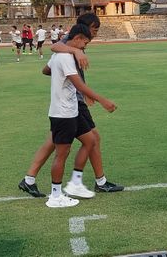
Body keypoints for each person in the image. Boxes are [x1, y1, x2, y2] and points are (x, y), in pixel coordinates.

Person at [18, 13, 123, 199]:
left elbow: (47, 69)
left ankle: (29, 179)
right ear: (83, 29)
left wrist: (67, 78)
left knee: (54, 142)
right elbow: (55, 46)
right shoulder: (70, 44)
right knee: (91, 140)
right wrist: (77, 82)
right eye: (94, 29)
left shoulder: (74, 46)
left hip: (71, 102)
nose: (95, 34)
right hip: (71, 104)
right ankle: (96, 183)